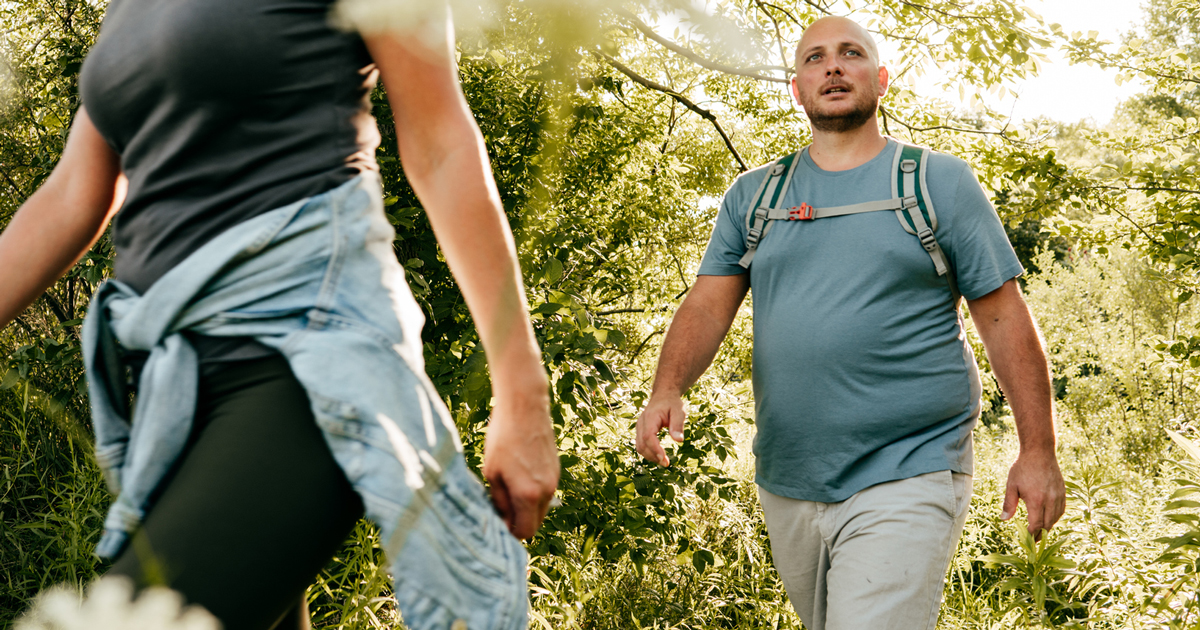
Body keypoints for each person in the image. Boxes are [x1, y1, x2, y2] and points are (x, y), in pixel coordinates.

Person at [0, 2, 558, 629]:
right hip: (177, 395)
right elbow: (75, 192)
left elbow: (441, 146)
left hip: (303, 360)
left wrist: (522, 392)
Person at [635, 15, 1065, 630]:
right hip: (789, 477)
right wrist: (666, 388)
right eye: (815, 58)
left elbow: (1002, 317)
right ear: (796, 89)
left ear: (881, 79)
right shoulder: (754, 197)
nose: (833, 66)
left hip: (910, 464)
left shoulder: (936, 182)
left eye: (851, 54)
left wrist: (1037, 450)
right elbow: (706, 305)